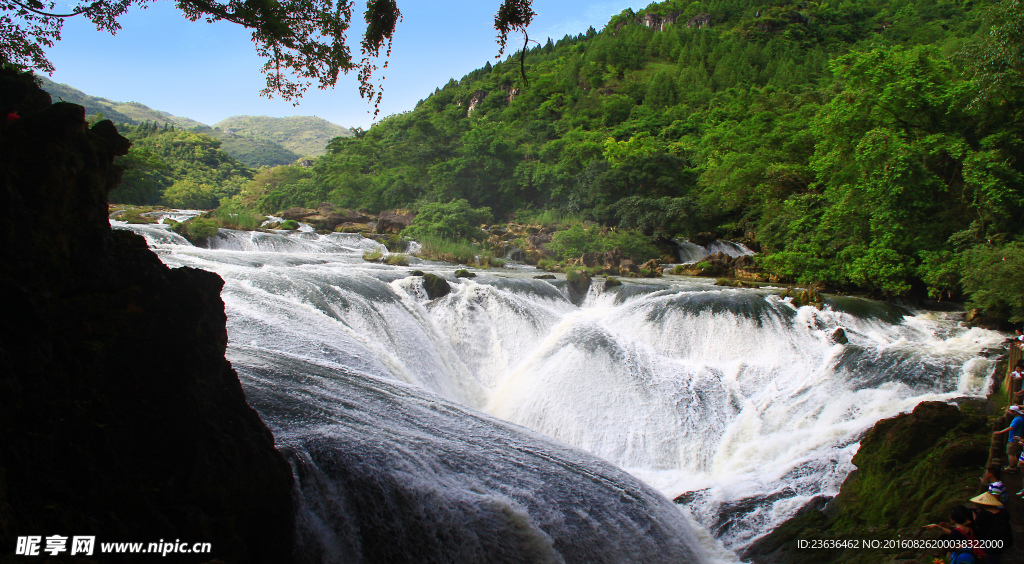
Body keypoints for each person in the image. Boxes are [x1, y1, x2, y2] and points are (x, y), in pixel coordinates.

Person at [971, 492, 1013, 564]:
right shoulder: (1003, 512)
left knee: (991, 558)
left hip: (991, 541)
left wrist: (975, 518)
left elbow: (977, 525)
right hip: (1005, 538)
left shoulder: (983, 515)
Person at [993, 405, 1024, 471]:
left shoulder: (1017, 419)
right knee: (1014, 453)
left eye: (1010, 411)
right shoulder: (1021, 418)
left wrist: (1000, 432)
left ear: (1015, 412)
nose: (1009, 412)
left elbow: (1011, 427)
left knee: (1010, 453)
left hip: (1013, 439)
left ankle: (1012, 466)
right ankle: (1015, 465)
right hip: (1018, 437)